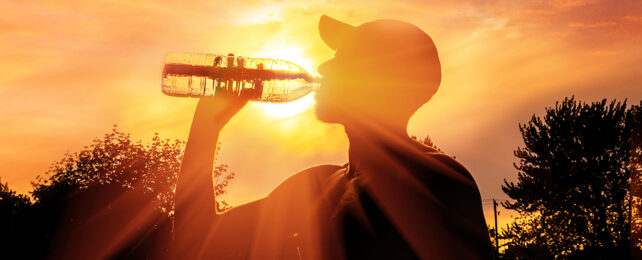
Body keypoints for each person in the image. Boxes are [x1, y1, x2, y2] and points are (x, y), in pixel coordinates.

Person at [173, 15, 493, 260]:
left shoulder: (436, 180)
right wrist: (207, 126)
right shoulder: (319, 185)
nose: (324, 66)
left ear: (382, 80)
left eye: (345, 58)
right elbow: (197, 241)